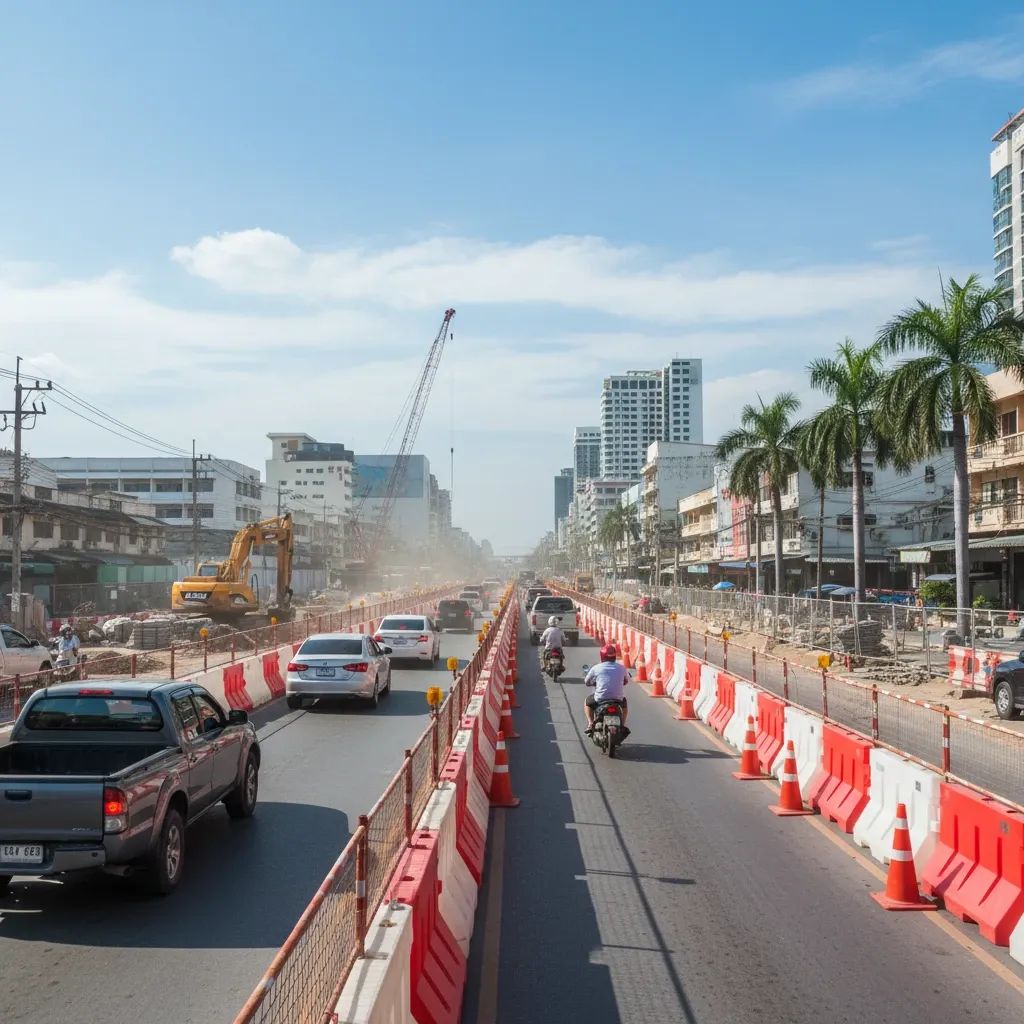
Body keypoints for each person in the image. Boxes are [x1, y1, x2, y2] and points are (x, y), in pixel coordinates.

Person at [584, 643, 629, 736]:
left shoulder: (596, 668)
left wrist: (591, 683)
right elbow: (626, 680)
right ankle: (622, 725)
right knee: (624, 705)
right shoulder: (621, 668)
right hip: (618, 699)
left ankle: (591, 723)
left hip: (600, 698)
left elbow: (587, 681)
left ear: (602, 656)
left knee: (587, 702)